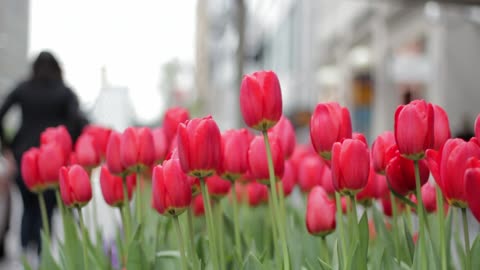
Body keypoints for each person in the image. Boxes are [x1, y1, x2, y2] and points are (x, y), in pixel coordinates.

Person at [0, 51, 87, 255]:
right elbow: (79, 121)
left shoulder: (23, 89)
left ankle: (25, 254)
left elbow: (1, 113)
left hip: (24, 155)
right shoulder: (64, 92)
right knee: (46, 210)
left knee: (28, 207)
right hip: (54, 159)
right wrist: (69, 145)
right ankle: (42, 255)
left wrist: (8, 146)